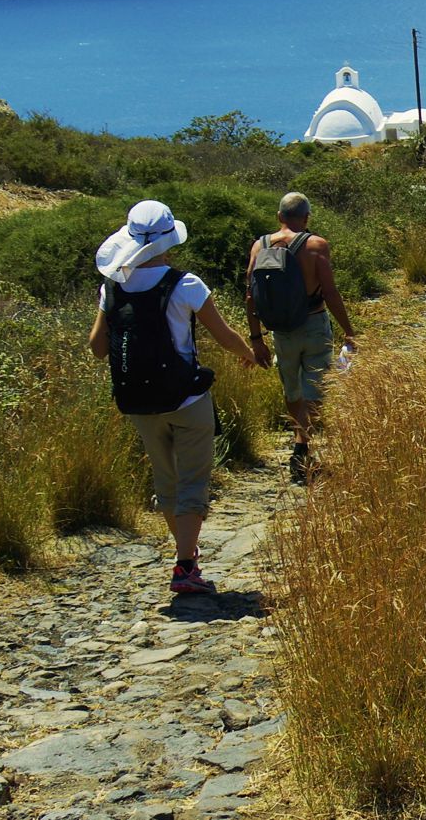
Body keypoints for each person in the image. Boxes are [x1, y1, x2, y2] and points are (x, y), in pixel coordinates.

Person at [91, 200, 259, 596]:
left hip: (139, 401)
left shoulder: (112, 286)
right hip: (186, 398)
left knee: (166, 483)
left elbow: (98, 347)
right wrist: (247, 354)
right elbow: (222, 334)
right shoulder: (185, 284)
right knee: (193, 482)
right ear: (169, 239)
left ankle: (188, 556)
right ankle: (185, 566)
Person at [245, 192, 358, 479]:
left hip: (280, 331)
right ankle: (301, 447)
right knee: (315, 389)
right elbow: (330, 292)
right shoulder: (316, 245)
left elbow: (250, 296)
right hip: (313, 324)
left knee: (292, 389)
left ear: (279, 217)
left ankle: (300, 441)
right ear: (306, 218)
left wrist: (255, 338)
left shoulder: (259, 246)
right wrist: (348, 330)